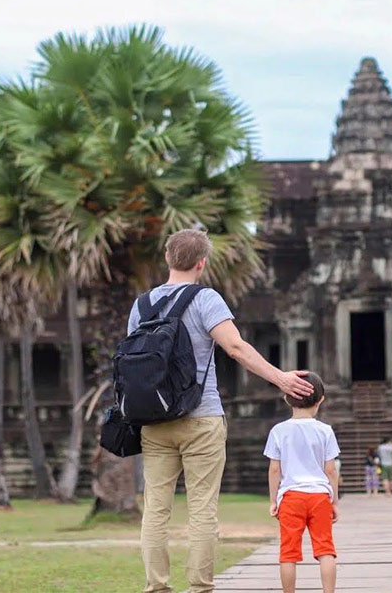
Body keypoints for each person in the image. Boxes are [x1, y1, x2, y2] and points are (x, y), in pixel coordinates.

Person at [129, 229, 314, 593]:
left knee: (155, 510)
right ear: (202, 263)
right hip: (202, 416)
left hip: (153, 419)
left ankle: (157, 587)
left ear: (167, 258)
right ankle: (199, 588)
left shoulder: (142, 304)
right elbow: (235, 347)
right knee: (202, 510)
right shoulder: (205, 298)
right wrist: (281, 378)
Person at [264, 372, 339, 593]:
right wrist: (333, 501)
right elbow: (331, 470)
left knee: (288, 552)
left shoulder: (278, 431)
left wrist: (273, 500)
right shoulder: (325, 431)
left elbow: (275, 468)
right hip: (319, 496)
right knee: (326, 550)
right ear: (321, 399)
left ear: (287, 398)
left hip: (290, 497)